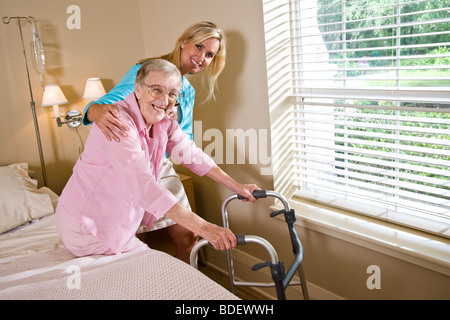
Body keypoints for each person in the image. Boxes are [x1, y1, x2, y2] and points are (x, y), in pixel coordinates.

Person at [56, 59, 259, 258]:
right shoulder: (117, 121)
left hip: (112, 221)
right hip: (85, 224)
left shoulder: (164, 121)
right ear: (137, 90)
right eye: (156, 90)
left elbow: (191, 154)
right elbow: (143, 186)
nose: (165, 101)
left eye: (172, 94)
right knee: (149, 267)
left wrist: (236, 186)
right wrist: (207, 228)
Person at [82, 22, 227, 262]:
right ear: (184, 42)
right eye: (198, 47)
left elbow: (185, 138)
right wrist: (92, 110)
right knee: (134, 240)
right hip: (131, 164)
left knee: (189, 236)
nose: (201, 58)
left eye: (209, 54)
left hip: (162, 165)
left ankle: (186, 290)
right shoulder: (145, 70)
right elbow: (108, 104)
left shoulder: (188, 90)